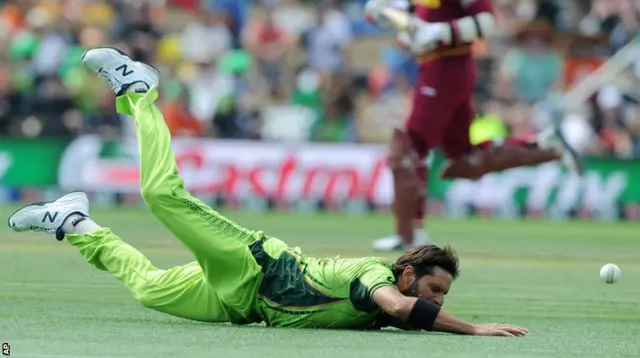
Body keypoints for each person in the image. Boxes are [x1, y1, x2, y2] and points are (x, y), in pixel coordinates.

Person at [8, 47, 527, 336]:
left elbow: (411, 316)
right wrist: (474, 329)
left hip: (245, 305)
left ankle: (74, 222)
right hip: (254, 263)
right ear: (409, 273)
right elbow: (397, 307)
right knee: (160, 194)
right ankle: (140, 91)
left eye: (442, 296)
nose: (436, 299)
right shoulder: (378, 279)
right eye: (435, 289)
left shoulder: (403, 303)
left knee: (147, 288)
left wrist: (442, 319)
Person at [365, 0, 582, 251]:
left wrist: (439, 32)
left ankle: (410, 233)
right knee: (464, 157)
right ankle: (545, 146)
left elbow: (486, 22)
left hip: (447, 67)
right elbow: (406, 17)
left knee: (410, 148)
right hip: (438, 67)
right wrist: (388, 13)